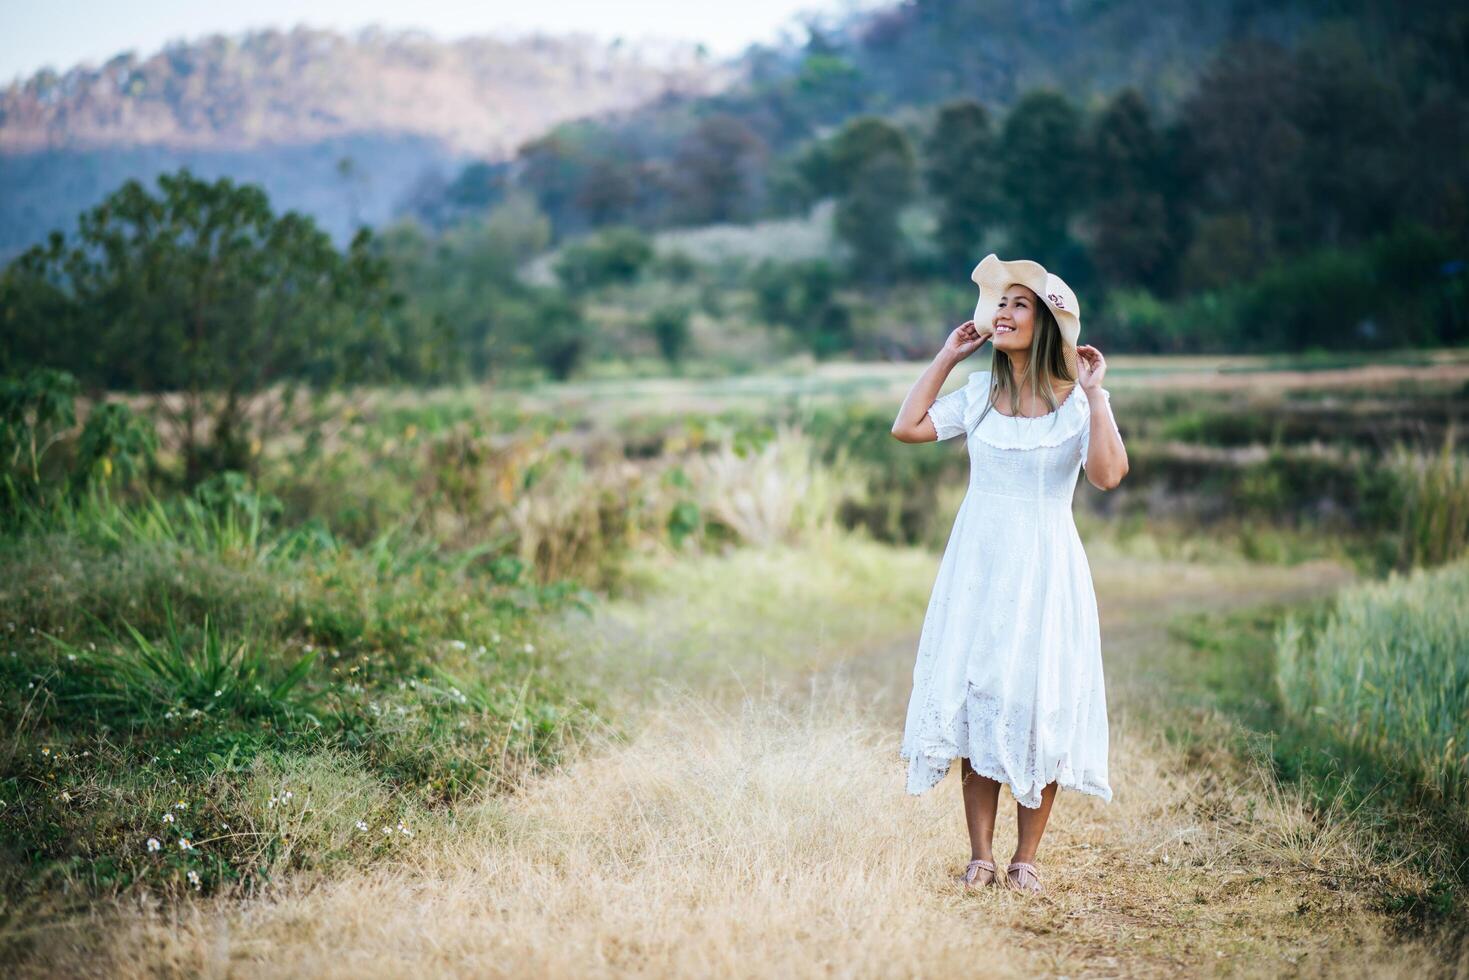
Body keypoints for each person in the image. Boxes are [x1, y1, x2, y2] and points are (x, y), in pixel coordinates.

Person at [888, 254, 1129, 895]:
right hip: (980, 563)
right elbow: (906, 426)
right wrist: (947, 356)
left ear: (1046, 322)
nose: (1003, 313)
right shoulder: (980, 399)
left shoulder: (1077, 404)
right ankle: (979, 855)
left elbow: (1107, 475)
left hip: (1047, 564)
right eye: (1000, 304)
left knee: (1037, 699)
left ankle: (1025, 858)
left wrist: (1097, 394)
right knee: (979, 696)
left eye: (1019, 305)